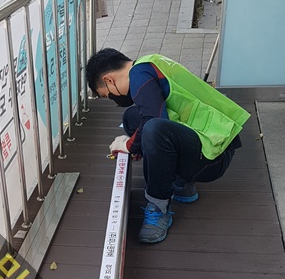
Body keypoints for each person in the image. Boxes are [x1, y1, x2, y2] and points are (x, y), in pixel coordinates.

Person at [86, 49, 250, 243]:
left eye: (108, 95)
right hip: (212, 139)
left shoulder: (139, 76)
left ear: (108, 80)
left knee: (153, 128)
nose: (114, 99)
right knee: (132, 118)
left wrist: (129, 145)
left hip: (213, 155)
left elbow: (153, 121)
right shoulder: (149, 63)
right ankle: (181, 184)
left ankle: (158, 207)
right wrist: (141, 145)